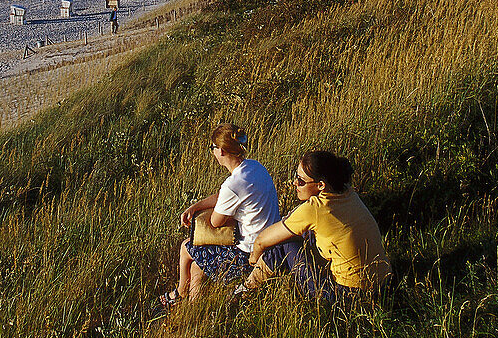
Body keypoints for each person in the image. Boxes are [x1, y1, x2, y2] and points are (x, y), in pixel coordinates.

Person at [159, 125, 280, 308]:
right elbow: (222, 198)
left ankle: (180, 293)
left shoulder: (233, 184)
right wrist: (195, 206)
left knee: (186, 247)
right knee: (196, 267)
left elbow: (215, 222)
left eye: (213, 148)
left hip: (247, 255)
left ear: (221, 151)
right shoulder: (255, 167)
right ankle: (193, 311)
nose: (213, 152)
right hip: (271, 244)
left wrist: (200, 215)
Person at [248, 150, 391, 302]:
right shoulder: (348, 193)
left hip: (346, 296)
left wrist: (253, 258)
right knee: (302, 233)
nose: (295, 183)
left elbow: (262, 240)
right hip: (384, 285)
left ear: (321, 185)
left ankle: (245, 291)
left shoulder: (315, 209)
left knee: (284, 244)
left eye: (301, 180)